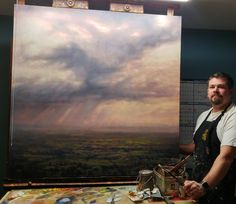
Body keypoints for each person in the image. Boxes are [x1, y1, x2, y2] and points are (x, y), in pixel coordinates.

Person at [180, 72, 236, 204]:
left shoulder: (233, 116)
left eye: (220, 86)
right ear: (207, 91)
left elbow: (226, 157)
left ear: (230, 91)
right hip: (199, 186)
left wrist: (203, 186)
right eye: (212, 87)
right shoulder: (204, 115)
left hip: (222, 189)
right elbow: (196, 147)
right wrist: (172, 146)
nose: (215, 90)